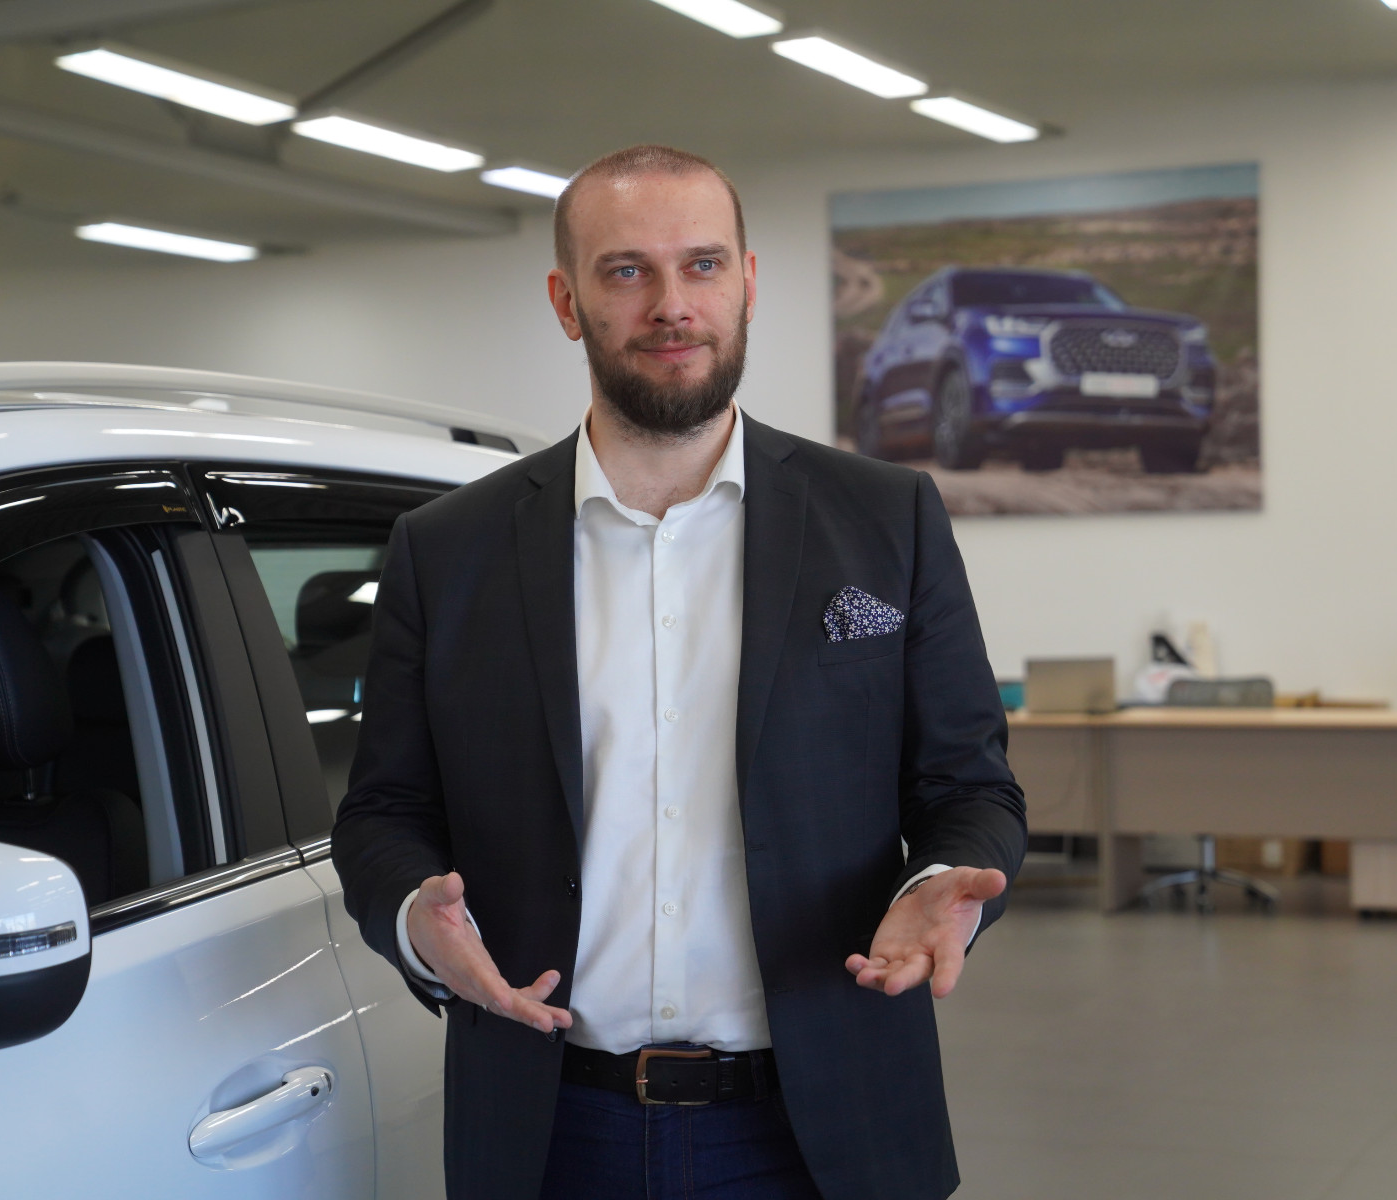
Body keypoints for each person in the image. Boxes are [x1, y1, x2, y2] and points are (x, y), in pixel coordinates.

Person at [332, 144, 1025, 1200]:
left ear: (747, 283)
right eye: (627, 271)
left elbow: (970, 789)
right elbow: (384, 810)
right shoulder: (449, 549)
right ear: (567, 302)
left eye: (702, 265)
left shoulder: (887, 520)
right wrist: (413, 915)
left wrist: (940, 885)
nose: (671, 305)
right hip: (553, 1129)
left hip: (824, 1125)